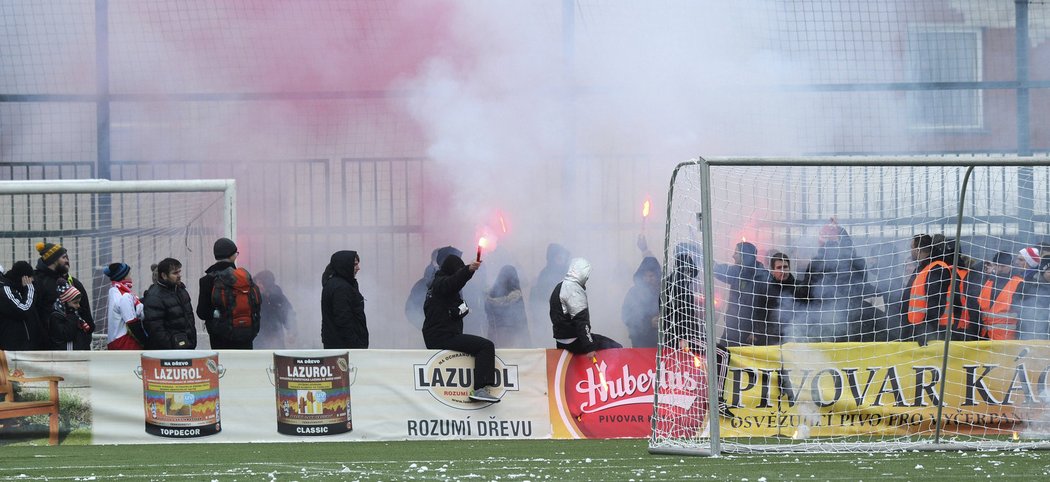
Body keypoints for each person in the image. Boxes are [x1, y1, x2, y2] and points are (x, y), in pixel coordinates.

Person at [422, 251, 501, 403]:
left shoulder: (437, 287)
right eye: (457, 270)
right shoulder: (441, 283)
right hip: (443, 337)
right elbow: (454, 282)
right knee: (486, 346)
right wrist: (468, 270)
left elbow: (449, 309)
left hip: (441, 335)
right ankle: (479, 389)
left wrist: (458, 311)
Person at [197, 238, 261, 349]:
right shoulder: (245, 278)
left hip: (220, 339)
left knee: (224, 365)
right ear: (233, 256)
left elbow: (202, 313)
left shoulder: (207, 280)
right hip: (245, 335)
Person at [549, 257, 623, 355]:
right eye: (587, 274)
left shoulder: (559, 286)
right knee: (615, 346)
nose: (588, 278)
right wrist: (589, 347)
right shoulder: (574, 289)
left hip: (561, 342)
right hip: (574, 342)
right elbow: (581, 321)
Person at [33, 241, 95, 343]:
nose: (67, 260)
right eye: (63, 257)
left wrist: (85, 336)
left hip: (77, 345)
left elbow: (86, 314)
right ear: (53, 260)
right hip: (48, 347)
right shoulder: (37, 282)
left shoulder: (74, 283)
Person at [713, 241, 770, 346]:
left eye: (736, 253)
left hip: (750, 335)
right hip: (732, 328)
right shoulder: (737, 271)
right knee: (723, 355)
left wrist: (757, 331)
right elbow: (719, 270)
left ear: (745, 256)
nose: (733, 256)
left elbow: (766, 308)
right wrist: (703, 257)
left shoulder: (762, 277)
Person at [142, 258, 197, 350]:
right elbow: (156, 329)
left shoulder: (181, 291)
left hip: (186, 347)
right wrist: (173, 347)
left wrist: (191, 341)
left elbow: (189, 319)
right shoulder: (154, 297)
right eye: (175, 273)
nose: (179, 275)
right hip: (169, 353)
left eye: (179, 272)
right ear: (164, 275)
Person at [321, 250, 368, 349]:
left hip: (337, 346)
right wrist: (357, 346)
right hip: (345, 349)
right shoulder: (341, 288)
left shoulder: (334, 284)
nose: (358, 268)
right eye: (355, 264)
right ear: (345, 265)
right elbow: (343, 320)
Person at [977, 251, 1025, 340]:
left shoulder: (1019, 283)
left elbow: (1022, 315)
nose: (999, 269)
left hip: (1006, 339)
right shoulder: (989, 281)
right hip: (985, 336)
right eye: (996, 265)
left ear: (1010, 265)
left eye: (1003, 266)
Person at [530, 243, 571, 345]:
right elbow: (539, 297)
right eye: (559, 257)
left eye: (563, 257)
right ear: (552, 258)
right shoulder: (545, 274)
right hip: (548, 316)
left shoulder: (568, 272)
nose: (562, 259)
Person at [0, 261, 45, 351]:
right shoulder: (5, 290)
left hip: (28, 347)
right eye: (30, 278)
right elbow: (23, 309)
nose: (32, 281)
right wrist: (30, 289)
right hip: (14, 349)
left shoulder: (18, 290)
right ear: (24, 278)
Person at [484, 265, 531, 348]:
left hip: (494, 336)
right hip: (512, 336)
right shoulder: (516, 296)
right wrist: (526, 342)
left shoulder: (490, 297)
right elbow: (521, 320)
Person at [103, 262, 147, 350]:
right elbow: (132, 323)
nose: (131, 277)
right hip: (125, 343)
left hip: (114, 341)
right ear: (122, 276)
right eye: (129, 274)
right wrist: (146, 342)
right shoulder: (124, 296)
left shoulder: (114, 291)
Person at [621, 256, 661, 348]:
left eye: (651, 276)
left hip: (662, 344)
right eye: (645, 276)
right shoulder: (634, 293)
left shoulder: (665, 292)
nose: (648, 279)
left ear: (658, 276)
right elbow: (626, 317)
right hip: (641, 343)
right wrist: (649, 323)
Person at [254, 270, 295, 349]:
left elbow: (288, 314)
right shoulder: (253, 297)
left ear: (268, 284)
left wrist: (292, 332)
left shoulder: (278, 297)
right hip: (258, 340)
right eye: (257, 282)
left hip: (276, 338)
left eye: (261, 282)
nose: (258, 285)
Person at [405, 248, 442, 330]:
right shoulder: (422, 285)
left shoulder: (454, 281)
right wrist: (426, 328)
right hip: (433, 336)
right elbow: (410, 310)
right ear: (434, 262)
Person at [47, 285, 92, 350]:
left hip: (78, 356)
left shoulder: (77, 316)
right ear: (64, 302)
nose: (78, 306)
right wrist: (71, 314)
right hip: (66, 357)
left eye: (79, 302)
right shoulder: (56, 317)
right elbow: (68, 335)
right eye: (75, 303)